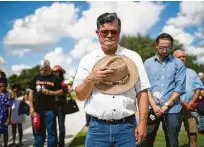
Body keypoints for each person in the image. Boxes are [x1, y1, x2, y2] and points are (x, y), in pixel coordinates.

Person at [73, 12, 150, 147]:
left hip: (127, 128)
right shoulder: (87, 60)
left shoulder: (133, 57)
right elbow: (80, 96)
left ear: (119, 32)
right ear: (97, 33)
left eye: (113, 32)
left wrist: (143, 123)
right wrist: (90, 80)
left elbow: (142, 92)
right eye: (105, 32)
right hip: (97, 129)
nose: (109, 35)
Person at [142, 33, 186, 147]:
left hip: (172, 110)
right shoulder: (148, 63)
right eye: (162, 47)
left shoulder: (178, 64)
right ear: (156, 46)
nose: (165, 50)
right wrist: (154, 105)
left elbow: (179, 88)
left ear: (171, 46)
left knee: (172, 142)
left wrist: (166, 105)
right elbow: (146, 87)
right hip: (152, 108)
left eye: (167, 47)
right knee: (146, 141)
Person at [29, 59, 63, 147]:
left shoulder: (54, 78)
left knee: (51, 132)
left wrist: (50, 92)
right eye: (41, 69)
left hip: (50, 110)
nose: (42, 71)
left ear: (49, 68)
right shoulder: (36, 77)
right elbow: (31, 92)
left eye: (45, 69)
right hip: (37, 110)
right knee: (38, 132)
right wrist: (31, 107)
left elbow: (61, 92)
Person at [174, 49, 203, 147]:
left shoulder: (192, 72)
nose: (182, 58)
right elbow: (169, 92)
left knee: (193, 135)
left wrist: (190, 103)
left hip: (191, 108)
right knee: (173, 136)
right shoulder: (170, 73)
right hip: (175, 107)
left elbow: (198, 88)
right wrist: (184, 103)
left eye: (183, 56)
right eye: (179, 57)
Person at [52, 65, 72, 147]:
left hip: (61, 106)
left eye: (57, 72)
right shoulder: (50, 82)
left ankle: (61, 143)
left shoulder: (64, 83)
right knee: (52, 127)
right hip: (51, 106)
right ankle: (55, 141)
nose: (55, 73)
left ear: (60, 73)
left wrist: (68, 90)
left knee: (61, 126)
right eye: (54, 72)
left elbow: (68, 92)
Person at [0, 78, 13, 147]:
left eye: (4, 86)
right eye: (0, 86)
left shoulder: (8, 95)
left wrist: (9, 118)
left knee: (5, 132)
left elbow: (9, 107)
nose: (2, 88)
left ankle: (5, 144)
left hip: (4, 116)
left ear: (6, 86)